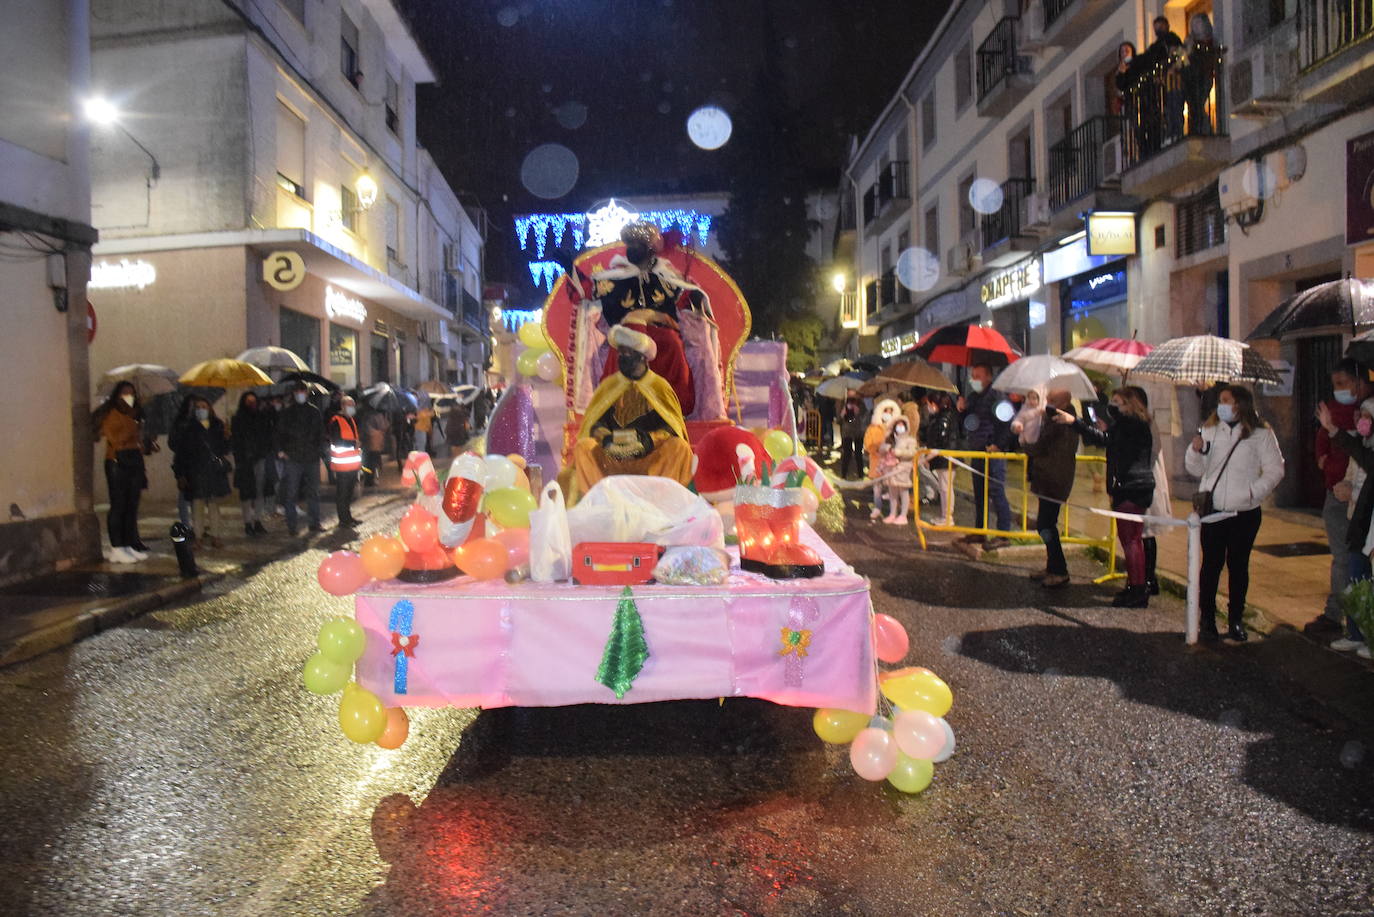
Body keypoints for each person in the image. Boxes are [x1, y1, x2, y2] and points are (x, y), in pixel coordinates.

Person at [1186, 385, 1285, 641]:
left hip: (1245, 512)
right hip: (1214, 510)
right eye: (1220, 401)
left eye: (1227, 400)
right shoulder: (1209, 430)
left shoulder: (1260, 433)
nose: (1222, 405)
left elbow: (1276, 470)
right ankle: (1207, 618)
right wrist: (1194, 450)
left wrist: (1253, 492)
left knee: (1238, 566)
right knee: (1211, 565)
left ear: (1240, 403)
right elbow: (1196, 470)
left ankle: (1236, 619)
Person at [567, 324, 694, 502]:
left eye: (626, 354)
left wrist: (649, 440)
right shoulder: (609, 386)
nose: (621, 358)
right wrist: (606, 438)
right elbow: (595, 424)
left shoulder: (659, 386)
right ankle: (601, 503)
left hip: (649, 455)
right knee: (584, 447)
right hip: (613, 455)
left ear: (642, 357)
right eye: (620, 353)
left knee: (679, 448)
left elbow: (672, 427)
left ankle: (661, 503)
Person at [1070, 385, 1156, 607]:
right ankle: (1135, 585)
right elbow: (1111, 440)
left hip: (1132, 487)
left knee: (1131, 540)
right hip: (1130, 486)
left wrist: (1075, 423)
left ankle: (1138, 589)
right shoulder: (1129, 424)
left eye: (1117, 402)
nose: (1112, 405)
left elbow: (1105, 440)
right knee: (1130, 539)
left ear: (1129, 404)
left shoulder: (1132, 423)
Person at [1317, 398, 1374, 657]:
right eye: (1361, 414)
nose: (1362, 420)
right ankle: (1356, 633)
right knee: (1355, 578)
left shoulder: (1365, 449)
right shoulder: (1363, 445)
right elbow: (1353, 468)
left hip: (1370, 526)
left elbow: (1364, 460)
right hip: (1360, 524)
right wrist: (1346, 488)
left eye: (1368, 415)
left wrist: (1333, 431)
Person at [1312, 360, 1364, 635]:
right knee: (1343, 557)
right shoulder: (1332, 412)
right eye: (1335, 385)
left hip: (1357, 493)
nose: (1339, 390)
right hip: (1336, 489)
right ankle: (1342, 616)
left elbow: (1359, 455)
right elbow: (1323, 439)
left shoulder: (1362, 413)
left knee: (1349, 558)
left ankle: (1344, 617)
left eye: (1343, 383)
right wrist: (1322, 455)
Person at [94, 381, 154, 563]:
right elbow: (115, 439)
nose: (129, 396)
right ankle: (117, 547)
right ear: (117, 395)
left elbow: (135, 440)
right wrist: (134, 431)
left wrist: (145, 441)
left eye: (132, 393)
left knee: (131, 504)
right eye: (125, 393)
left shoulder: (135, 414)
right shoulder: (112, 413)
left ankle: (128, 544)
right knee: (118, 504)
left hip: (134, 461)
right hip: (117, 462)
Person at [1024, 390, 1079, 587]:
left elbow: (1043, 445)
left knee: (1046, 525)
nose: (1048, 402)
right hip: (1047, 477)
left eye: (1052, 400)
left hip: (1054, 480)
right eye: (1048, 399)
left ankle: (1059, 569)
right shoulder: (1054, 418)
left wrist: (1024, 444)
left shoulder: (1063, 422)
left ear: (1064, 402)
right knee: (1045, 524)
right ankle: (1052, 565)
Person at [957, 363, 1014, 549]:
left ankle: (1003, 534)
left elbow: (1006, 422)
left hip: (992, 453)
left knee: (997, 492)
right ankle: (980, 531)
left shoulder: (997, 395)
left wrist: (998, 444)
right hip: (977, 451)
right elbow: (969, 423)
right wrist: (962, 409)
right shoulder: (974, 397)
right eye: (972, 375)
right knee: (979, 493)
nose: (974, 379)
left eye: (978, 375)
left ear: (989, 377)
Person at [170, 395, 232, 548]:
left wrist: (227, 436)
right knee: (197, 507)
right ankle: (198, 537)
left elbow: (225, 449)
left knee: (214, 506)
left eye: (204, 407)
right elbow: (181, 454)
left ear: (209, 409)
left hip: (213, 472)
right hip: (195, 472)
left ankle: (216, 536)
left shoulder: (217, 425)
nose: (201, 410)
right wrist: (180, 474)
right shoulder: (188, 428)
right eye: (198, 407)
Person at [275, 381, 325, 536]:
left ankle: (314, 523)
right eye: (297, 391)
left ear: (306, 393)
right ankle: (292, 526)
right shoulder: (287, 413)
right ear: (294, 394)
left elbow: (320, 434)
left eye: (302, 391)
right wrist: (281, 450)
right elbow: (279, 433)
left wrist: (318, 452)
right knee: (292, 493)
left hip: (310, 457)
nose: (300, 394)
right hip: (294, 457)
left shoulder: (314, 412)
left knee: (313, 492)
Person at [231, 391, 274, 537]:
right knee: (246, 492)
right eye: (249, 401)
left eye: (254, 401)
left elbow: (267, 435)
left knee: (260, 490)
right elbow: (236, 441)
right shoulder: (238, 419)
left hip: (260, 458)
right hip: (244, 461)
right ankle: (247, 522)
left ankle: (257, 520)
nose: (252, 404)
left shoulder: (261, 417)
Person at [921, 392, 957, 526]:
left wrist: (928, 458)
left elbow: (942, 441)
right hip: (943, 459)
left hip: (945, 459)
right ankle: (945, 516)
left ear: (934, 404)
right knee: (944, 488)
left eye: (929, 404)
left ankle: (947, 517)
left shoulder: (944, 419)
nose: (928, 407)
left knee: (945, 488)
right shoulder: (940, 417)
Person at [1182, 13, 1219, 136]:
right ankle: (1198, 129)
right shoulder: (1189, 42)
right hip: (1190, 77)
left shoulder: (1210, 42)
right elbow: (1181, 60)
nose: (1196, 26)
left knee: (1198, 103)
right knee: (1194, 106)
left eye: (1198, 23)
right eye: (1193, 24)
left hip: (1204, 76)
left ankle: (1204, 129)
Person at [328, 395, 363, 528]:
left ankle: (348, 517)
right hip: (342, 464)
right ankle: (343, 520)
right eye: (349, 405)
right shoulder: (336, 420)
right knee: (342, 493)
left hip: (353, 464)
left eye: (353, 405)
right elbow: (336, 441)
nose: (352, 408)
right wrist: (353, 444)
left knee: (348, 493)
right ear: (342, 406)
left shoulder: (351, 420)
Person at [865, 399, 902, 520]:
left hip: (891, 463)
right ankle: (877, 507)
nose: (888, 414)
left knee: (893, 488)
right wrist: (876, 449)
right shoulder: (873, 428)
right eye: (885, 411)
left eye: (890, 412)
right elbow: (868, 444)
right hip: (876, 461)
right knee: (877, 488)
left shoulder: (896, 428)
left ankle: (894, 511)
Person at [880, 417, 918, 525]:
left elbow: (912, 453)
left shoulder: (910, 440)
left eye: (902, 425)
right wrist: (886, 448)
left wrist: (898, 452)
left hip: (903, 469)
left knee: (903, 492)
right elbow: (881, 449)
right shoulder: (890, 438)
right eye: (898, 425)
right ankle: (892, 514)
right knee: (892, 492)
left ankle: (903, 515)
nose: (899, 427)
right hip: (890, 469)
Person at [838, 394, 867, 479]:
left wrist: (858, 413)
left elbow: (865, 417)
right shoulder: (843, 404)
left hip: (858, 433)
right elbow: (838, 420)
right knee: (847, 454)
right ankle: (843, 475)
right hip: (847, 433)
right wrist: (842, 415)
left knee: (858, 454)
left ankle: (860, 475)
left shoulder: (861, 405)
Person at [362, 404, 390, 488]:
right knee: (373, 463)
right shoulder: (378, 416)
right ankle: (370, 480)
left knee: (367, 462)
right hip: (375, 443)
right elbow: (384, 426)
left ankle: (367, 479)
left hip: (366, 443)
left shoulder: (365, 416)